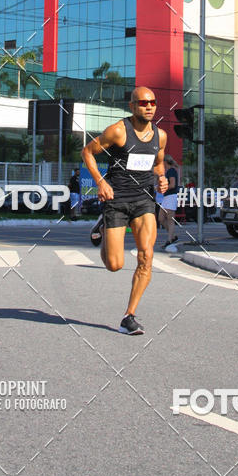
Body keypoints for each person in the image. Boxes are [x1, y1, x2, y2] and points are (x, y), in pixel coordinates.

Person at [82, 86, 168, 335]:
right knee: (114, 265)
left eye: (152, 102)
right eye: (142, 102)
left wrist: (161, 179)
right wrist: (100, 181)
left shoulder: (160, 136)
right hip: (116, 200)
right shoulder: (118, 131)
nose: (149, 106)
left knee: (146, 255)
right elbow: (87, 151)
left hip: (143, 200)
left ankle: (129, 316)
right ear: (132, 106)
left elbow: (159, 164)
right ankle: (104, 224)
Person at [158, 156, 179, 248]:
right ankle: (172, 236)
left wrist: (162, 188)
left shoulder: (171, 171)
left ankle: (169, 239)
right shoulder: (168, 171)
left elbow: (173, 184)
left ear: (165, 162)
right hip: (166, 197)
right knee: (161, 218)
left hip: (171, 196)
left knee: (170, 219)